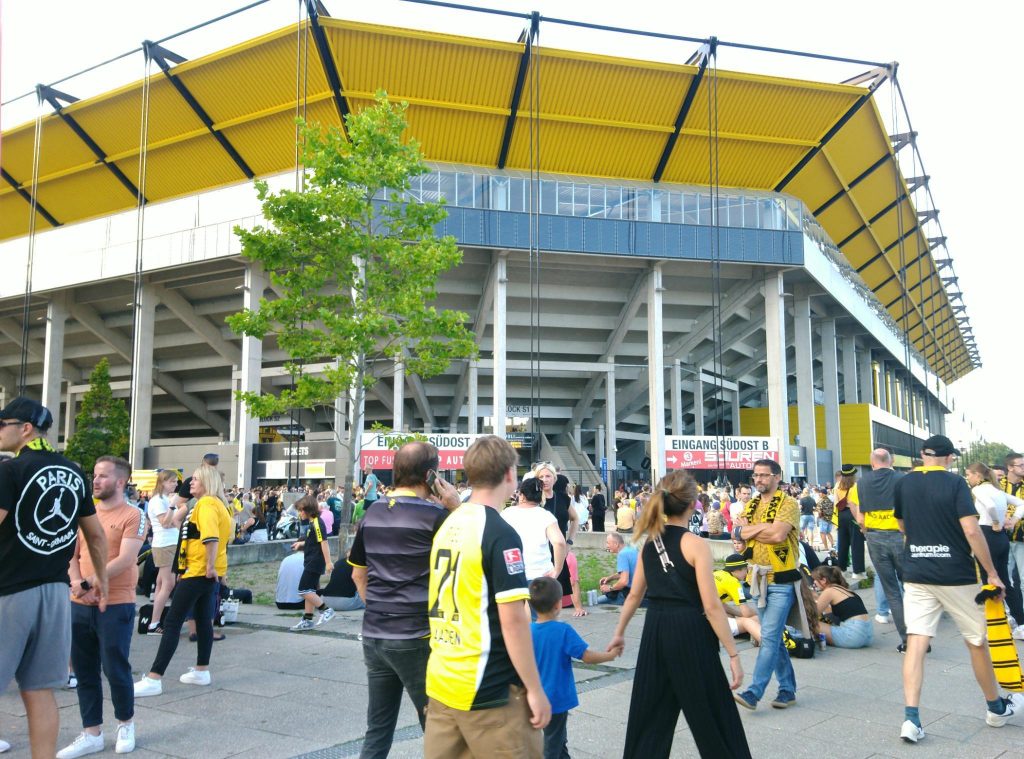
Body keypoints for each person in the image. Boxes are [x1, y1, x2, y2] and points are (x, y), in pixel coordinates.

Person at [607, 470, 751, 759]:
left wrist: (619, 632)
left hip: (656, 629)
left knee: (649, 715)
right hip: (689, 629)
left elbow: (635, 595)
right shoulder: (696, 544)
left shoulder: (650, 543)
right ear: (692, 503)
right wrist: (733, 654)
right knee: (713, 714)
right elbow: (711, 606)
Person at [424, 435, 550, 759]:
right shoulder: (500, 533)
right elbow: (514, 620)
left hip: (441, 680)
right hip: (488, 689)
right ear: (510, 475)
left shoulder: (449, 524)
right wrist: (534, 689)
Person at [0, 397, 109, 759]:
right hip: (54, 593)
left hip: (8, 593)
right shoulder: (74, 471)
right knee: (39, 689)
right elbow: (95, 535)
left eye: (3, 425)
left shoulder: (9, 471)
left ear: (25, 429)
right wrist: (102, 584)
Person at [895, 435, 1023, 744]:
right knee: (976, 641)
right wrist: (992, 573)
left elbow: (901, 526)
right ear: (950, 457)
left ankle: (911, 720)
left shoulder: (903, 483)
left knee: (916, 642)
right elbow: (970, 529)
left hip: (916, 572)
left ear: (924, 455)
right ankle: (995, 708)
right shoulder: (956, 485)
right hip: (956, 574)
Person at [349, 441, 461, 759]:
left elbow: (358, 575)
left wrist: (379, 608)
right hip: (416, 637)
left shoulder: (372, 511)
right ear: (431, 475)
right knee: (437, 728)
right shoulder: (437, 516)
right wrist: (456, 506)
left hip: (374, 635)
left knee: (378, 729)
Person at [59, 456, 145, 758]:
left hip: (116, 602)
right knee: (84, 670)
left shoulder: (134, 515)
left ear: (120, 482)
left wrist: (89, 583)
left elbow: (125, 559)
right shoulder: (84, 514)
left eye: (103, 476)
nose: (95, 481)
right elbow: (71, 554)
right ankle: (91, 732)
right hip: (80, 602)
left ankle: (126, 723)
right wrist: (77, 584)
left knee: (115, 667)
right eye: (94, 475)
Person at [134, 465, 232, 697]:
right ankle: (201, 669)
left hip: (199, 571)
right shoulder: (218, 505)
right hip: (207, 571)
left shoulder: (206, 505)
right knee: (203, 620)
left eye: (196, 479)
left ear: (207, 482)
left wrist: (207, 565)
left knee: (173, 622)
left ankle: (155, 677)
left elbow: (210, 537)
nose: (190, 483)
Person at [731, 458, 801, 711]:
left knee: (769, 636)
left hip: (781, 580)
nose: (758, 479)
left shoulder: (789, 503)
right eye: (755, 475)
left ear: (776, 477)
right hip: (755, 579)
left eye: (763, 475)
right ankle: (787, 689)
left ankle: (754, 692)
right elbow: (736, 535)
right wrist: (754, 530)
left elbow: (778, 535)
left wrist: (748, 530)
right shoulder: (750, 505)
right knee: (774, 638)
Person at [529, 577, 621, 759]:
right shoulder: (563, 631)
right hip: (556, 698)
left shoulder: (527, 631)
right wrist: (610, 655)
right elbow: (586, 657)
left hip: (533, 698)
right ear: (558, 605)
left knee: (557, 740)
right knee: (552, 745)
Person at [848, 448, 908, 649]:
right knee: (912, 587)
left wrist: (864, 528)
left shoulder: (861, 483)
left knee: (892, 590)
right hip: (901, 536)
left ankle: (906, 640)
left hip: (874, 537)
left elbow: (855, 508)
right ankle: (920, 636)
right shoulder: (902, 479)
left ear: (872, 462)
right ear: (890, 461)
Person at [967, 463, 1024, 633]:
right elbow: (1021, 503)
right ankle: (1020, 622)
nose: (968, 478)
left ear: (978, 475)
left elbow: (990, 506)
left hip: (987, 534)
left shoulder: (978, 490)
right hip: (1001, 539)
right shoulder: (998, 491)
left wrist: (996, 522)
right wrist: (1013, 520)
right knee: (1005, 580)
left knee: (988, 579)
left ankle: (996, 621)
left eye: (969, 474)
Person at [501, 476, 567, 582]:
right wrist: (557, 570)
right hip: (541, 575)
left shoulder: (506, 514)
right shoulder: (546, 516)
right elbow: (559, 542)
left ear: (521, 495)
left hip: (512, 574)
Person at [288, 496, 336, 631]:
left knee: (303, 590)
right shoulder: (312, 523)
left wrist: (328, 562)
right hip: (311, 560)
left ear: (308, 510)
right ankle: (307, 620)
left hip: (314, 561)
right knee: (310, 590)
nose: (299, 513)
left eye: (301, 510)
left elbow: (324, 542)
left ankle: (326, 610)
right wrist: (300, 544)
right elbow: (313, 541)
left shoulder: (317, 523)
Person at [146, 470, 180, 634]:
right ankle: (154, 623)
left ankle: (155, 620)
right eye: (172, 481)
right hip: (165, 544)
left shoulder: (164, 499)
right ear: (163, 482)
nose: (175, 484)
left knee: (162, 583)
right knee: (168, 583)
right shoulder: (158, 500)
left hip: (168, 543)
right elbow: (165, 523)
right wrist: (173, 506)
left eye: (175, 481)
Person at [811, 566, 873, 649]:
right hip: (868, 634)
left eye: (815, 579)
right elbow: (830, 611)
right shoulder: (845, 590)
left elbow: (813, 614)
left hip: (853, 635)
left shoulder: (829, 591)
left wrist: (813, 597)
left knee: (812, 624)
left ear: (823, 580)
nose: (814, 582)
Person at [1001, 452, 1024, 637]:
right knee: (1004, 580)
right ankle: (1010, 616)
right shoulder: (998, 486)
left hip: (1022, 539)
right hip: (1002, 539)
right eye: (1021, 465)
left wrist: (1016, 518)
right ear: (1010, 467)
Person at [715, 554, 761, 645]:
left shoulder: (717, 573)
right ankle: (768, 643)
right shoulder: (734, 583)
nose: (747, 573)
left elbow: (720, 604)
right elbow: (746, 613)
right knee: (757, 619)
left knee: (731, 614)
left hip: (700, 616)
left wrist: (739, 614)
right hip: (712, 623)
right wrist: (758, 615)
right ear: (738, 569)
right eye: (746, 569)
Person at [834, 465, 865, 580]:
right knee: (856, 543)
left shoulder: (837, 486)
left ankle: (841, 569)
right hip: (852, 514)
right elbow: (853, 504)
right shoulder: (854, 487)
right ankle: (858, 571)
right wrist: (859, 521)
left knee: (843, 543)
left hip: (841, 515)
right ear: (853, 475)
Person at [597, 532, 637, 605]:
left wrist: (609, 588)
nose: (607, 546)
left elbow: (624, 581)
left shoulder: (622, 554)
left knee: (596, 602)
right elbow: (625, 572)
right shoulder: (631, 550)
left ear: (616, 544)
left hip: (628, 595)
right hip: (640, 592)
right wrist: (609, 578)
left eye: (608, 543)